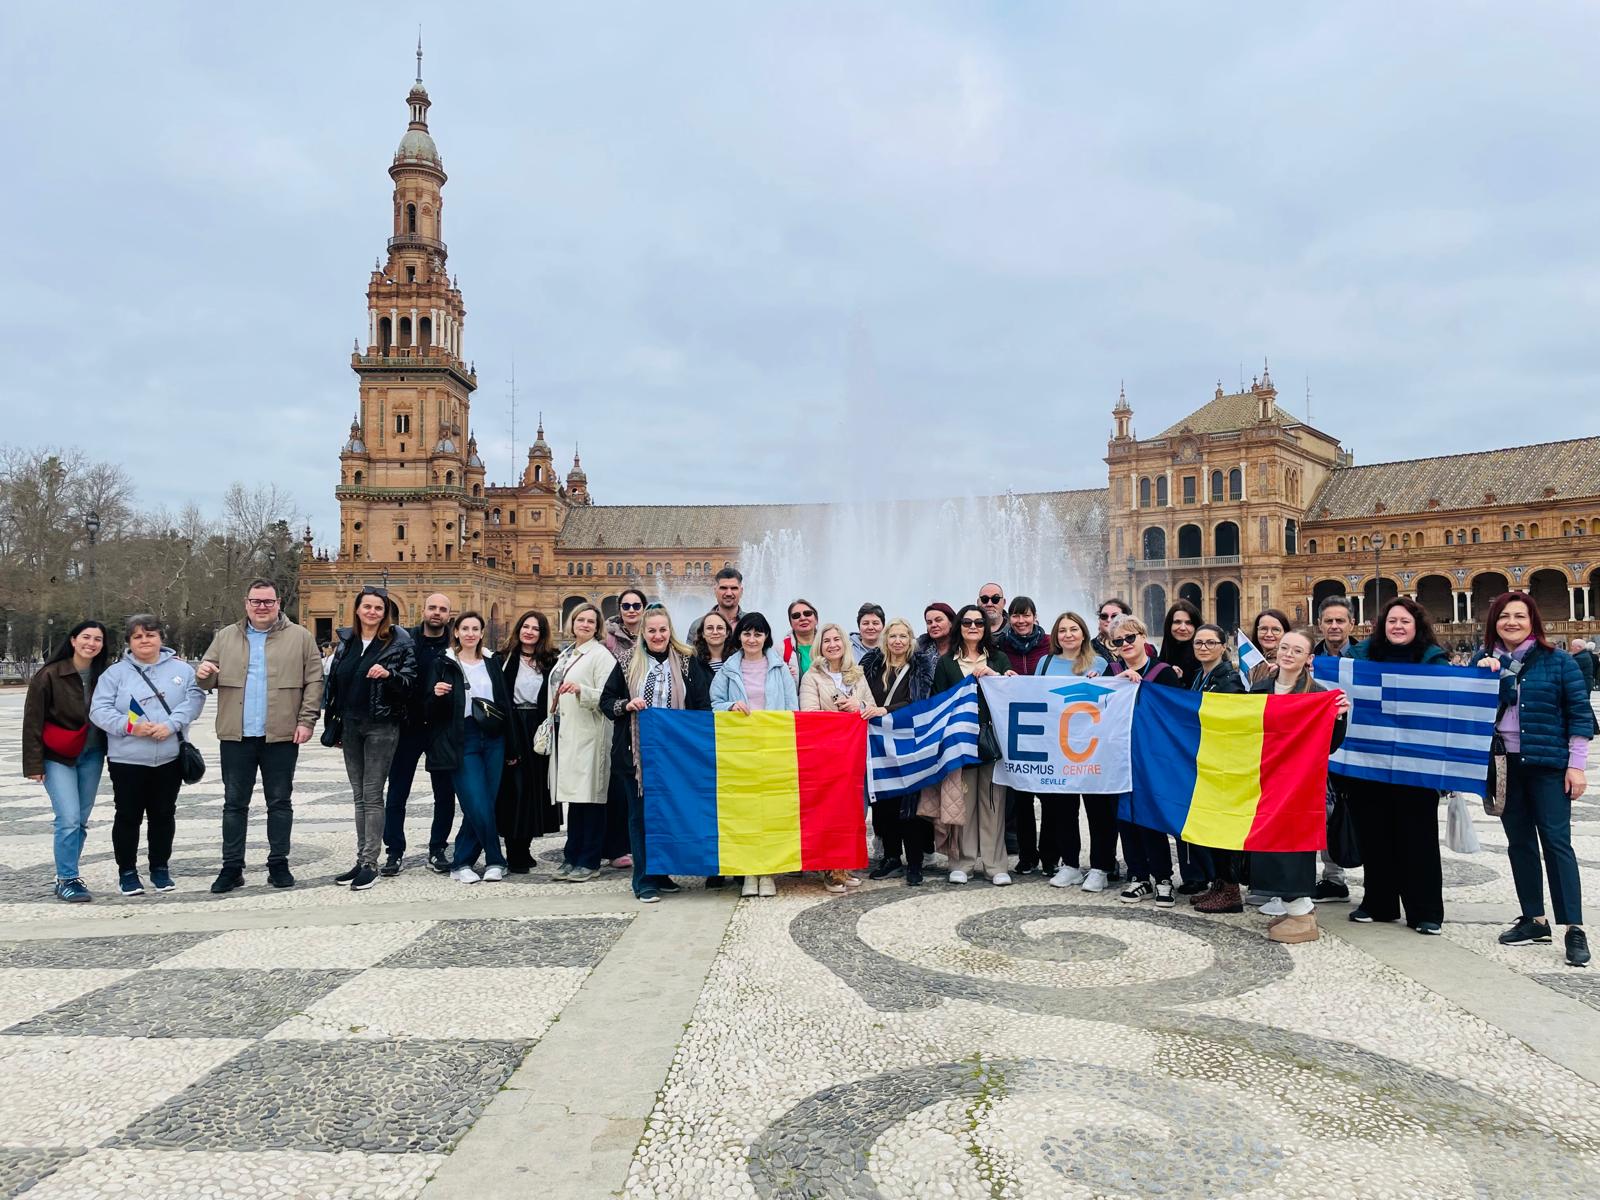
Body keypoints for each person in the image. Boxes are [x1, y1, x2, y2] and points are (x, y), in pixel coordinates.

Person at [1477, 592, 1593, 968]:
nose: (1511, 622)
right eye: (1504, 616)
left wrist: (1577, 766)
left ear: (1533, 622)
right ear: (1494, 622)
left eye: (1520, 616)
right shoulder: (1485, 662)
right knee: (1520, 843)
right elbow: (1470, 714)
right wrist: (1484, 677)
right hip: (1505, 764)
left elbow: (1579, 713)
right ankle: (1534, 919)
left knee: (1558, 844)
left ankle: (1574, 927)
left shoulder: (1558, 661)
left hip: (1548, 764)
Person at [197, 579, 324, 894]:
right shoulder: (225, 636)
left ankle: (278, 863)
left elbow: (314, 681)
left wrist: (307, 720)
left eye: (268, 601)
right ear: (246, 603)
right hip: (236, 734)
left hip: (281, 734)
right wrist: (203, 674)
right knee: (233, 803)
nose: (262, 607)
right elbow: (206, 680)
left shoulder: (301, 637)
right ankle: (231, 867)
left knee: (279, 801)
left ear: (278, 603)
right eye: (256, 601)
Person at [1346, 596, 1450, 932]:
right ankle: (1380, 902)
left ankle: (1425, 911)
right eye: (1392, 621)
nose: (1398, 626)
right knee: (1374, 834)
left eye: (1405, 621)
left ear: (1417, 625)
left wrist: (1488, 671)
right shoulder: (1361, 657)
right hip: (1370, 762)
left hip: (1416, 765)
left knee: (1418, 836)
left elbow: (1449, 704)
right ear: (1381, 626)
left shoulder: (1433, 659)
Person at [88, 614, 205, 898]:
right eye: (137, 636)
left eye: (150, 635)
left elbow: (194, 700)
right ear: (129, 642)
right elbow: (99, 710)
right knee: (128, 816)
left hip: (168, 756)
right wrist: (130, 727)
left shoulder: (182, 670)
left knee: (163, 814)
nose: (144, 641)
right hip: (127, 758)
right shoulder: (114, 674)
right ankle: (127, 871)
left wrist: (171, 725)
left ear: (161, 638)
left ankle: (160, 867)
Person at [1246, 629, 1351, 944]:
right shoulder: (1260, 688)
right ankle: (1292, 905)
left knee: (1293, 845)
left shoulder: (1317, 694)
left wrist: (1339, 718)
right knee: (1267, 842)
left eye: (1296, 650)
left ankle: (1302, 912)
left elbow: (1330, 746)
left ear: (1309, 658)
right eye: (1284, 648)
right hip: (1264, 780)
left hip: (1299, 783)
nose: (1288, 654)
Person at [604, 606, 711, 903]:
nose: (658, 635)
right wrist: (626, 705)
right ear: (643, 632)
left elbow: (702, 705)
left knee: (668, 814)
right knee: (640, 816)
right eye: (652, 630)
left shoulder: (687, 662)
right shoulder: (627, 661)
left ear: (670, 631)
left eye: (663, 630)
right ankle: (644, 879)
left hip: (675, 755)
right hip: (636, 754)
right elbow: (606, 701)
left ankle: (662, 872)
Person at [323, 587, 417, 892]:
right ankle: (361, 858)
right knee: (359, 795)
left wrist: (389, 676)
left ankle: (370, 864)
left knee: (373, 794)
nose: (372, 612)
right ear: (357, 609)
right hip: (351, 725)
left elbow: (410, 684)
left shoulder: (398, 643)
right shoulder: (346, 643)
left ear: (385, 613)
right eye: (367, 607)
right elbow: (334, 684)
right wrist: (333, 721)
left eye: (378, 608)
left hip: (381, 726)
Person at [426, 612, 519, 884]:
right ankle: (495, 859)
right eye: (464, 628)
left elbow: (504, 703)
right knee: (476, 801)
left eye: (475, 629)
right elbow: (427, 709)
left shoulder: (492, 662)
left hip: (493, 737)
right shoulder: (443, 663)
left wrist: (512, 746)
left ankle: (462, 862)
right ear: (455, 632)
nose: (469, 633)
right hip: (462, 737)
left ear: (481, 633)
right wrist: (436, 695)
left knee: (486, 801)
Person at [711, 612, 800, 897]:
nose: (752, 639)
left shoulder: (779, 668)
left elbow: (793, 708)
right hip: (740, 751)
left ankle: (769, 871)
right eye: (747, 633)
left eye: (758, 634)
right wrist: (730, 707)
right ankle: (749, 871)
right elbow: (714, 703)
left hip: (773, 749)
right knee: (744, 811)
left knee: (772, 811)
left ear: (766, 637)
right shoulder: (728, 669)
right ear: (739, 637)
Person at [23, 620, 111, 903]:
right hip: (57, 755)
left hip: (92, 754)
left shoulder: (105, 675)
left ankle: (68, 874)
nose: (91, 643)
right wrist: (34, 765)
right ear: (73, 640)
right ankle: (67, 879)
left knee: (81, 820)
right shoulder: (49, 674)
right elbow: (32, 721)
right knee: (69, 818)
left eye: (97, 639)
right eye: (86, 637)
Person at [931, 604, 1014, 886]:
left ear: (985, 627)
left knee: (992, 801)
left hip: (992, 740)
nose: (973, 627)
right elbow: (938, 701)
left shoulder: (999, 658)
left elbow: (1011, 694)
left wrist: (998, 677)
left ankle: (995, 864)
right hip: (960, 742)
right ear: (959, 627)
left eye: (979, 622)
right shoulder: (946, 663)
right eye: (967, 622)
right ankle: (962, 862)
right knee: (962, 802)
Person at [1109, 613, 1186, 906]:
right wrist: (1111, 683)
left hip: (1152, 756)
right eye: (1118, 641)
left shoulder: (1163, 672)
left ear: (1143, 637)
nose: (1125, 644)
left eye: (1130, 637)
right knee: (1125, 817)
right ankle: (1138, 875)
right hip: (1120, 755)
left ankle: (1163, 877)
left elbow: (1174, 714)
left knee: (1150, 816)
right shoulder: (1111, 671)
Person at [1036, 611, 1115, 893]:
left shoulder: (1100, 663)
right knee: (1062, 809)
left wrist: (1105, 682)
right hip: (1058, 747)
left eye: (1073, 629)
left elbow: (1113, 701)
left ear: (1083, 634)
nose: (1068, 635)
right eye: (1062, 630)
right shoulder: (1045, 663)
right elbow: (1033, 697)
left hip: (1092, 749)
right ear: (1055, 636)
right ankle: (1069, 864)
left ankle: (1101, 867)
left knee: (1099, 810)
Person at [799, 623, 878, 893]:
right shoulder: (811, 677)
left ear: (844, 643)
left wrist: (859, 706)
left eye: (837, 639)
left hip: (853, 755)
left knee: (853, 811)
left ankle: (843, 864)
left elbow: (871, 707)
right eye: (827, 640)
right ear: (820, 646)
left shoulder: (857, 675)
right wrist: (839, 716)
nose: (832, 645)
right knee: (828, 811)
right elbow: (809, 714)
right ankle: (829, 868)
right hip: (826, 755)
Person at [382, 592, 457, 875]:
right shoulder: (404, 640)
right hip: (408, 725)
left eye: (442, 609)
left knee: (444, 793)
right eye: (432, 608)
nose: (437, 613)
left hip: (441, 728)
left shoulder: (455, 646)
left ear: (449, 615)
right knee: (397, 791)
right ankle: (394, 851)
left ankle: (438, 848)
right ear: (423, 610)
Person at [550, 603, 618, 883]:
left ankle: (589, 860)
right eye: (581, 619)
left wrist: (582, 690)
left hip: (591, 735)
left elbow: (609, 695)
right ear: (572, 622)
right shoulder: (568, 652)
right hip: (569, 732)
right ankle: (571, 856)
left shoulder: (601, 656)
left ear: (597, 627)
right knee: (576, 801)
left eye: (591, 621)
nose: (585, 625)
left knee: (591, 800)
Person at [1187, 623, 1250, 915]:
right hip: (1208, 761)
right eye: (1199, 643)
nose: (1203, 647)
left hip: (1222, 763)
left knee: (1222, 827)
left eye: (1210, 643)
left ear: (1223, 647)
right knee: (1211, 825)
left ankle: (1231, 891)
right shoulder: (1201, 675)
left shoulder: (1229, 679)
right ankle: (1219, 884)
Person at [867, 618, 934, 886]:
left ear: (910, 640)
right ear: (886, 639)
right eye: (893, 636)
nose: (897, 641)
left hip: (908, 742)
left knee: (910, 804)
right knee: (884, 804)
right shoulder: (873, 666)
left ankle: (915, 862)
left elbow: (919, 701)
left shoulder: (920, 667)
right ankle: (892, 858)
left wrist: (886, 710)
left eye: (903, 636)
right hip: (879, 743)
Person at [498, 609, 561, 872]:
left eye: (535, 628)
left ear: (542, 633)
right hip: (512, 727)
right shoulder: (503, 659)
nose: (530, 632)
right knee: (515, 789)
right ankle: (514, 851)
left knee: (536, 790)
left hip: (538, 729)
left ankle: (524, 847)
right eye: (526, 626)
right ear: (518, 629)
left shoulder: (550, 661)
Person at [996, 597, 1051, 874]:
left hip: (1049, 729)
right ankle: (1027, 854)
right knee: (1022, 798)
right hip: (1016, 730)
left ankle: (1051, 855)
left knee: (1050, 796)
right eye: (1016, 616)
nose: (1021, 621)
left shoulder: (1050, 644)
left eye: (1026, 615)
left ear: (1035, 616)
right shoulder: (1001, 647)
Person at [1311, 595, 1357, 902]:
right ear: (1319, 624)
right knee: (1327, 812)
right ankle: (1333, 878)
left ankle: (1380, 883)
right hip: (1324, 748)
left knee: (1362, 814)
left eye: (1340, 620)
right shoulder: (1310, 659)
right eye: (1328, 621)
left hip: (1362, 748)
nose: (1334, 626)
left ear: (1352, 623)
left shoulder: (1366, 659)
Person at [602, 588, 649, 869]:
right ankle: (617, 846)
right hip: (621, 722)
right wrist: (623, 705)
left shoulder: (655, 636)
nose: (631, 610)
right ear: (619, 608)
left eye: (636, 605)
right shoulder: (608, 640)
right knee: (620, 788)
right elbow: (607, 693)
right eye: (626, 605)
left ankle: (643, 850)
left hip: (651, 724)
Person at [689, 566, 746, 643]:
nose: (729, 593)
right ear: (715, 591)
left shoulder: (750, 623)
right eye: (723, 588)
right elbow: (690, 650)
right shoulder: (697, 626)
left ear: (741, 591)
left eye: (734, 588)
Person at [914, 603, 957, 698]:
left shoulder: (963, 648)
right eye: (929, 622)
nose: (933, 625)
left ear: (951, 622)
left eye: (938, 620)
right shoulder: (918, 650)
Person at [1156, 600, 1202, 684]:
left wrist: (1177, 680)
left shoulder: (1206, 659)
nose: (1183, 628)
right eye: (1177, 622)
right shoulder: (1163, 655)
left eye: (1189, 623)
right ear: (1169, 625)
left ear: (1196, 626)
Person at [1247, 609, 1290, 687]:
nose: (1269, 634)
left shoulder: (1291, 665)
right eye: (1263, 629)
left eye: (1276, 630)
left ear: (1286, 633)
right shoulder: (1251, 663)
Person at [782, 598, 821, 680]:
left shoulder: (830, 645)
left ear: (816, 619)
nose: (802, 618)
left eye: (807, 613)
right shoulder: (781, 650)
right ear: (790, 623)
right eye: (796, 616)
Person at [1091, 598, 1132, 667]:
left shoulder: (1137, 645)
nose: (1109, 620)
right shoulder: (1088, 648)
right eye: (1104, 616)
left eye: (1114, 616)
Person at [693, 611, 733, 675]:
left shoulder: (737, 660)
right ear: (703, 634)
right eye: (709, 628)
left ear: (727, 633)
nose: (715, 632)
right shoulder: (694, 662)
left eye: (720, 628)